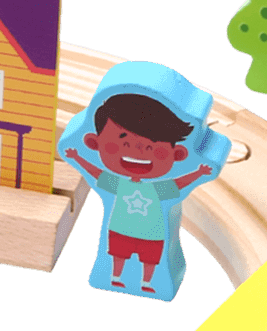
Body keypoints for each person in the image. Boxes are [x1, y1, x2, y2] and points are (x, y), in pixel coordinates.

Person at [64, 93, 211, 292]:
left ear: (177, 154)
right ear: (94, 143)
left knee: (150, 260)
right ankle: (115, 277)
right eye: (123, 138)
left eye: (152, 145)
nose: (138, 149)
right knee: (118, 255)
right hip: (120, 230)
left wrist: (199, 173)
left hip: (152, 234)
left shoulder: (156, 187)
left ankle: (147, 283)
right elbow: (96, 172)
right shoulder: (120, 184)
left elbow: (179, 183)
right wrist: (77, 157)